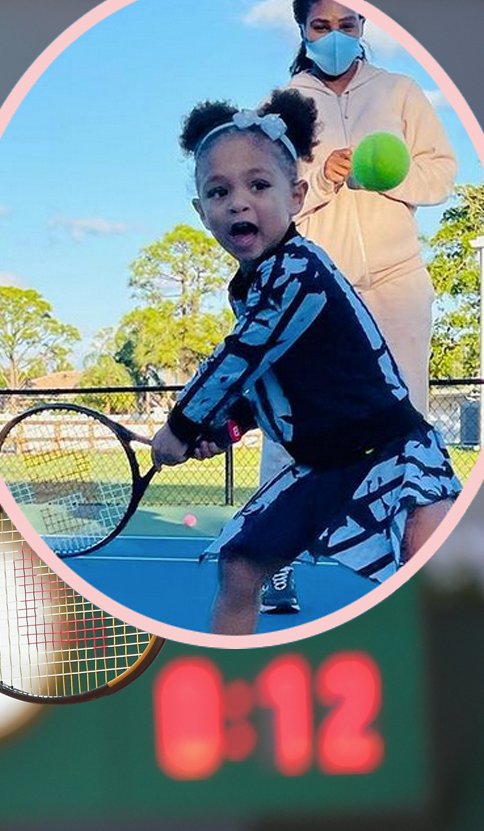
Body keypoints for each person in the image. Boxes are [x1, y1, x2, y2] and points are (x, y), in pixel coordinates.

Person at [151, 90, 460, 636]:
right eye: (218, 191)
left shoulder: (300, 271)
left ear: (297, 196)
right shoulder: (250, 286)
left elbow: (242, 356)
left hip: (391, 451)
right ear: (202, 213)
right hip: (323, 465)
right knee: (241, 566)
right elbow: (270, 381)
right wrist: (228, 426)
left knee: (434, 584)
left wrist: (181, 425)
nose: (239, 203)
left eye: (259, 185)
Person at [259, 0, 457, 614]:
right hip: (319, 289)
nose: (336, 36)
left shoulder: (399, 90)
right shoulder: (282, 104)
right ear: (302, 30)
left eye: (349, 24)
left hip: (397, 282)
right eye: (322, 25)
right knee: (291, 428)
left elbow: (441, 172)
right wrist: (322, 180)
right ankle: (273, 563)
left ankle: (413, 568)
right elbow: (267, 196)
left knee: (408, 430)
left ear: (364, 28)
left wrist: (383, 176)